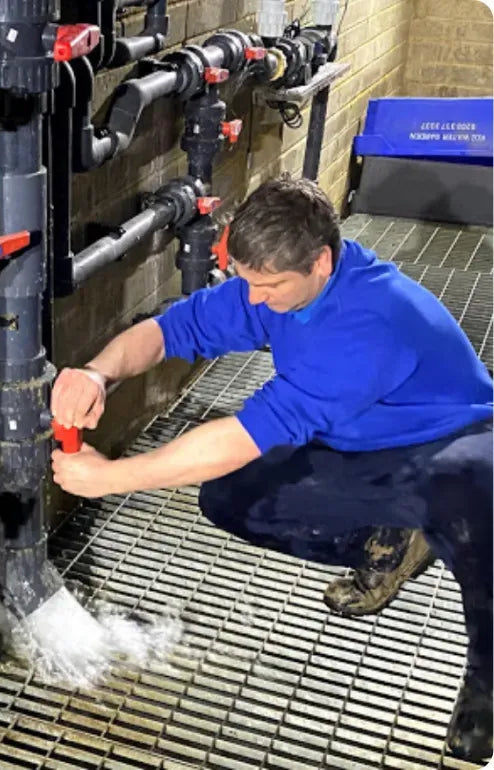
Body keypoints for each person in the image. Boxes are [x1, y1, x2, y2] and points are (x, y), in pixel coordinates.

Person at [50, 176, 493, 763]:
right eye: (246, 281)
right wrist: (97, 373)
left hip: (458, 448)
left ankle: (484, 705)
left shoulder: (366, 326)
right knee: (232, 498)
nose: (254, 300)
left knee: (483, 562)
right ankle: (391, 542)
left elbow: (244, 434)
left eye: (270, 286)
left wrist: (110, 478)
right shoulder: (273, 282)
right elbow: (171, 329)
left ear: (322, 262)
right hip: (368, 441)